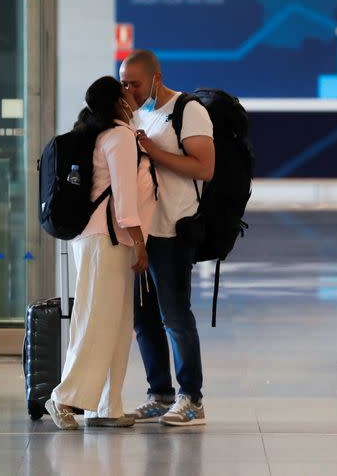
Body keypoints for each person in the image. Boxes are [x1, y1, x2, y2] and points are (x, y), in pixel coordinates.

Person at [47, 76, 155, 430]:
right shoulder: (120, 137)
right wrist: (140, 243)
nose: (132, 94)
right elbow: (123, 202)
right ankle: (63, 398)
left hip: (104, 240)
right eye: (125, 90)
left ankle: (108, 405)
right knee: (96, 320)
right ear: (116, 101)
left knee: (117, 324)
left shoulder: (105, 133)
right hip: (105, 240)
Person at [119, 49, 215, 426]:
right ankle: (159, 393)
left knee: (175, 315)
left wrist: (154, 152)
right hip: (142, 232)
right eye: (123, 83)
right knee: (143, 318)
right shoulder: (137, 114)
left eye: (135, 83)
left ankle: (191, 398)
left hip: (174, 228)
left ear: (155, 78)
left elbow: (205, 167)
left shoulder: (187, 111)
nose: (128, 90)